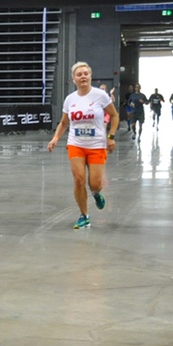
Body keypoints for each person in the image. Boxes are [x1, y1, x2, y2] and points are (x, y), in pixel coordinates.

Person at [47, 61, 119, 229]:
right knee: (79, 179)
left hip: (97, 145)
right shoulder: (70, 99)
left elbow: (115, 116)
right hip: (76, 144)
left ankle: (96, 193)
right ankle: (84, 215)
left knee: (95, 184)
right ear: (74, 79)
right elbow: (64, 122)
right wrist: (55, 138)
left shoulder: (101, 96)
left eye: (86, 73)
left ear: (90, 76)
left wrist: (111, 136)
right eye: (79, 74)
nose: (83, 77)